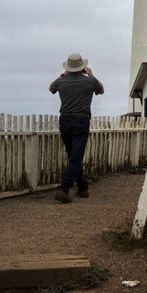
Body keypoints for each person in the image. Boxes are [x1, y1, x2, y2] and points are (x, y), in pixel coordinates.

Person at [49, 52, 104, 203]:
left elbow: (51, 88)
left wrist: (63, 74)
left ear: (69, 67)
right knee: (76, 156)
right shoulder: (89, 81)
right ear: (83, 67)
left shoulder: (61, 81)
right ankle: (64, 189)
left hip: (65, 120)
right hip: (81, 120)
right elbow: (101, 90)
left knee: (74, 155)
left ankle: (82, 187)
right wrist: (91, 75)